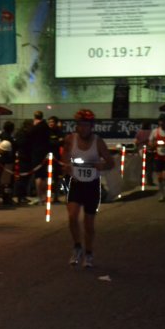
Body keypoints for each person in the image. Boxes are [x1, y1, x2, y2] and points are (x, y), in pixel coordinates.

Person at [62, 109, 114, 268]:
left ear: (92, 126)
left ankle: (89, 253)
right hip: (76, 184)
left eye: (86, 125)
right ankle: (77, 247)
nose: (82, 128)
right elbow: (65, 159)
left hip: (92, 186)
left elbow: (111, 163)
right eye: (80, 125)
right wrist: (67, 167)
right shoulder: (70, 139)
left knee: (89, 224)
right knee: (72, 217)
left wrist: (101, 165)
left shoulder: (98, 142)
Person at [28, 110, 51, 205]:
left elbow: (29, 137)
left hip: (36, 153)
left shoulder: (35, 127)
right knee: (44, 176)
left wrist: (33, 126)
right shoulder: (46, 126)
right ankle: (45, 196)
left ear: (35, 117)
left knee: (38, 176)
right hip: (45, 153)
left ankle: (39, 197)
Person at [47, 116, 64, 202]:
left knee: (56, 177)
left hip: (56, 157)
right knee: (47, 177)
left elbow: (61, 142)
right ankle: (46, 196)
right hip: (46, 157)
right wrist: (56, 142)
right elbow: (47, 143)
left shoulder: (59, 131)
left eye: (52, 122)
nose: (51, 123)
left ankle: (56, 196)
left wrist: (54, 142)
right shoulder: (46, 131)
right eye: (49, 122)